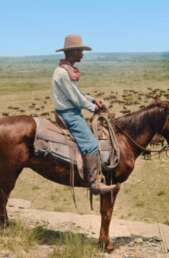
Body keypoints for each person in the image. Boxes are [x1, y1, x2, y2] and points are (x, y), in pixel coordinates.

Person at [52, 34, 118, 195]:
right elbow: (75, 99)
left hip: (71, 111)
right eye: (80, 51)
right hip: (69, 114)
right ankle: (94, 182)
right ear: (73, 52)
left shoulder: (66, 70)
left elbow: (77, 93)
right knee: (91, 144)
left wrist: (93, 100)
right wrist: (92, 108)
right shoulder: (62, 73)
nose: (82, 54)